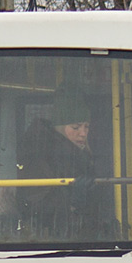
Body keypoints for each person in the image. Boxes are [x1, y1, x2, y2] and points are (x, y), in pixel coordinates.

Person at [17, 91, 102, 240]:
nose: (83, 133)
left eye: (86, 127)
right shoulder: (41, 156)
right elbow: (35, 204)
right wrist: (72, 202)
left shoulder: (81, 156)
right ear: (59, 128)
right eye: (75, 127)